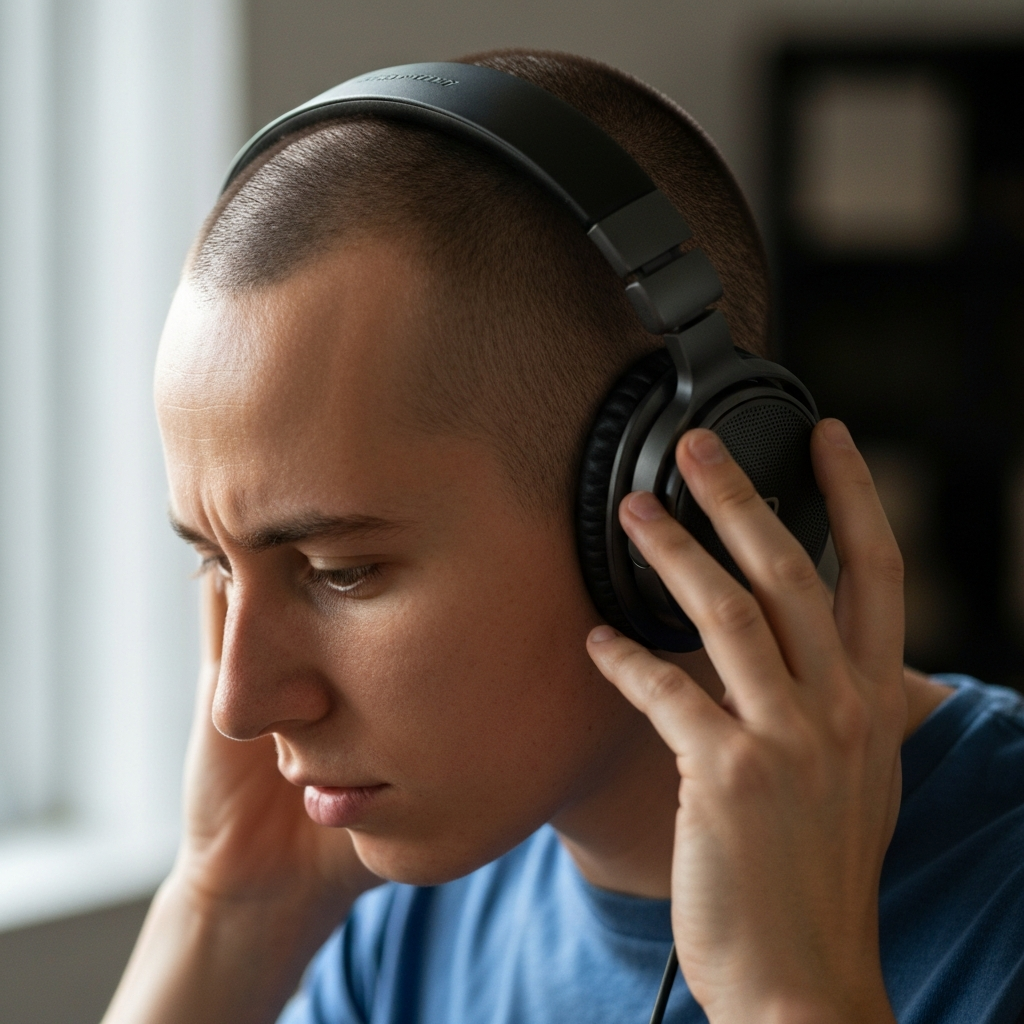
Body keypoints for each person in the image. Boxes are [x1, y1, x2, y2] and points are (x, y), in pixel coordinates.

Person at [103, 50, 1024, 1024]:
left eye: (342, 570)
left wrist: (792, 999)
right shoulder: (407, 923)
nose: (240, 706)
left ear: (674, 508)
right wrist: (221, 916)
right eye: (215, 560)